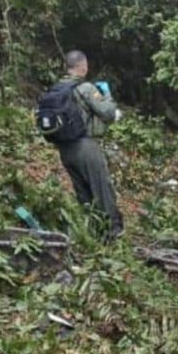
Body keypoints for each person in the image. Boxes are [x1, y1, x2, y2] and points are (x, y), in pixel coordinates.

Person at [41, 50, 124, 238]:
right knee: (101, 188)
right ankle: (113, 231)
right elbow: (108, 112)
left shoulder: (57, 88)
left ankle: (93, 233)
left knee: (83, 193)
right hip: (85, 146)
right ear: (83, 66)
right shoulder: (85, 88)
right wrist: (108, 96)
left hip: (64, 149)